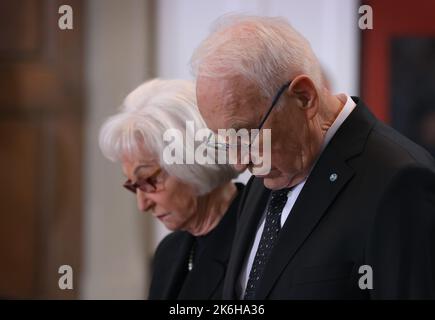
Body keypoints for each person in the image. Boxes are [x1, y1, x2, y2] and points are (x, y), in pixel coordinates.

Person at [191, 15, 435, 299]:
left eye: (245, 134)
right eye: (225, 141)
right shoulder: (272, 169)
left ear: (304, 97)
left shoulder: (399, 183)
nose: (238, 163)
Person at [99, 79, 243, 299]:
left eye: (148, 180)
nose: (142, 204)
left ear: (193, 160)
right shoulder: (168, 252)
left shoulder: (258, 237)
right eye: (132, 185)